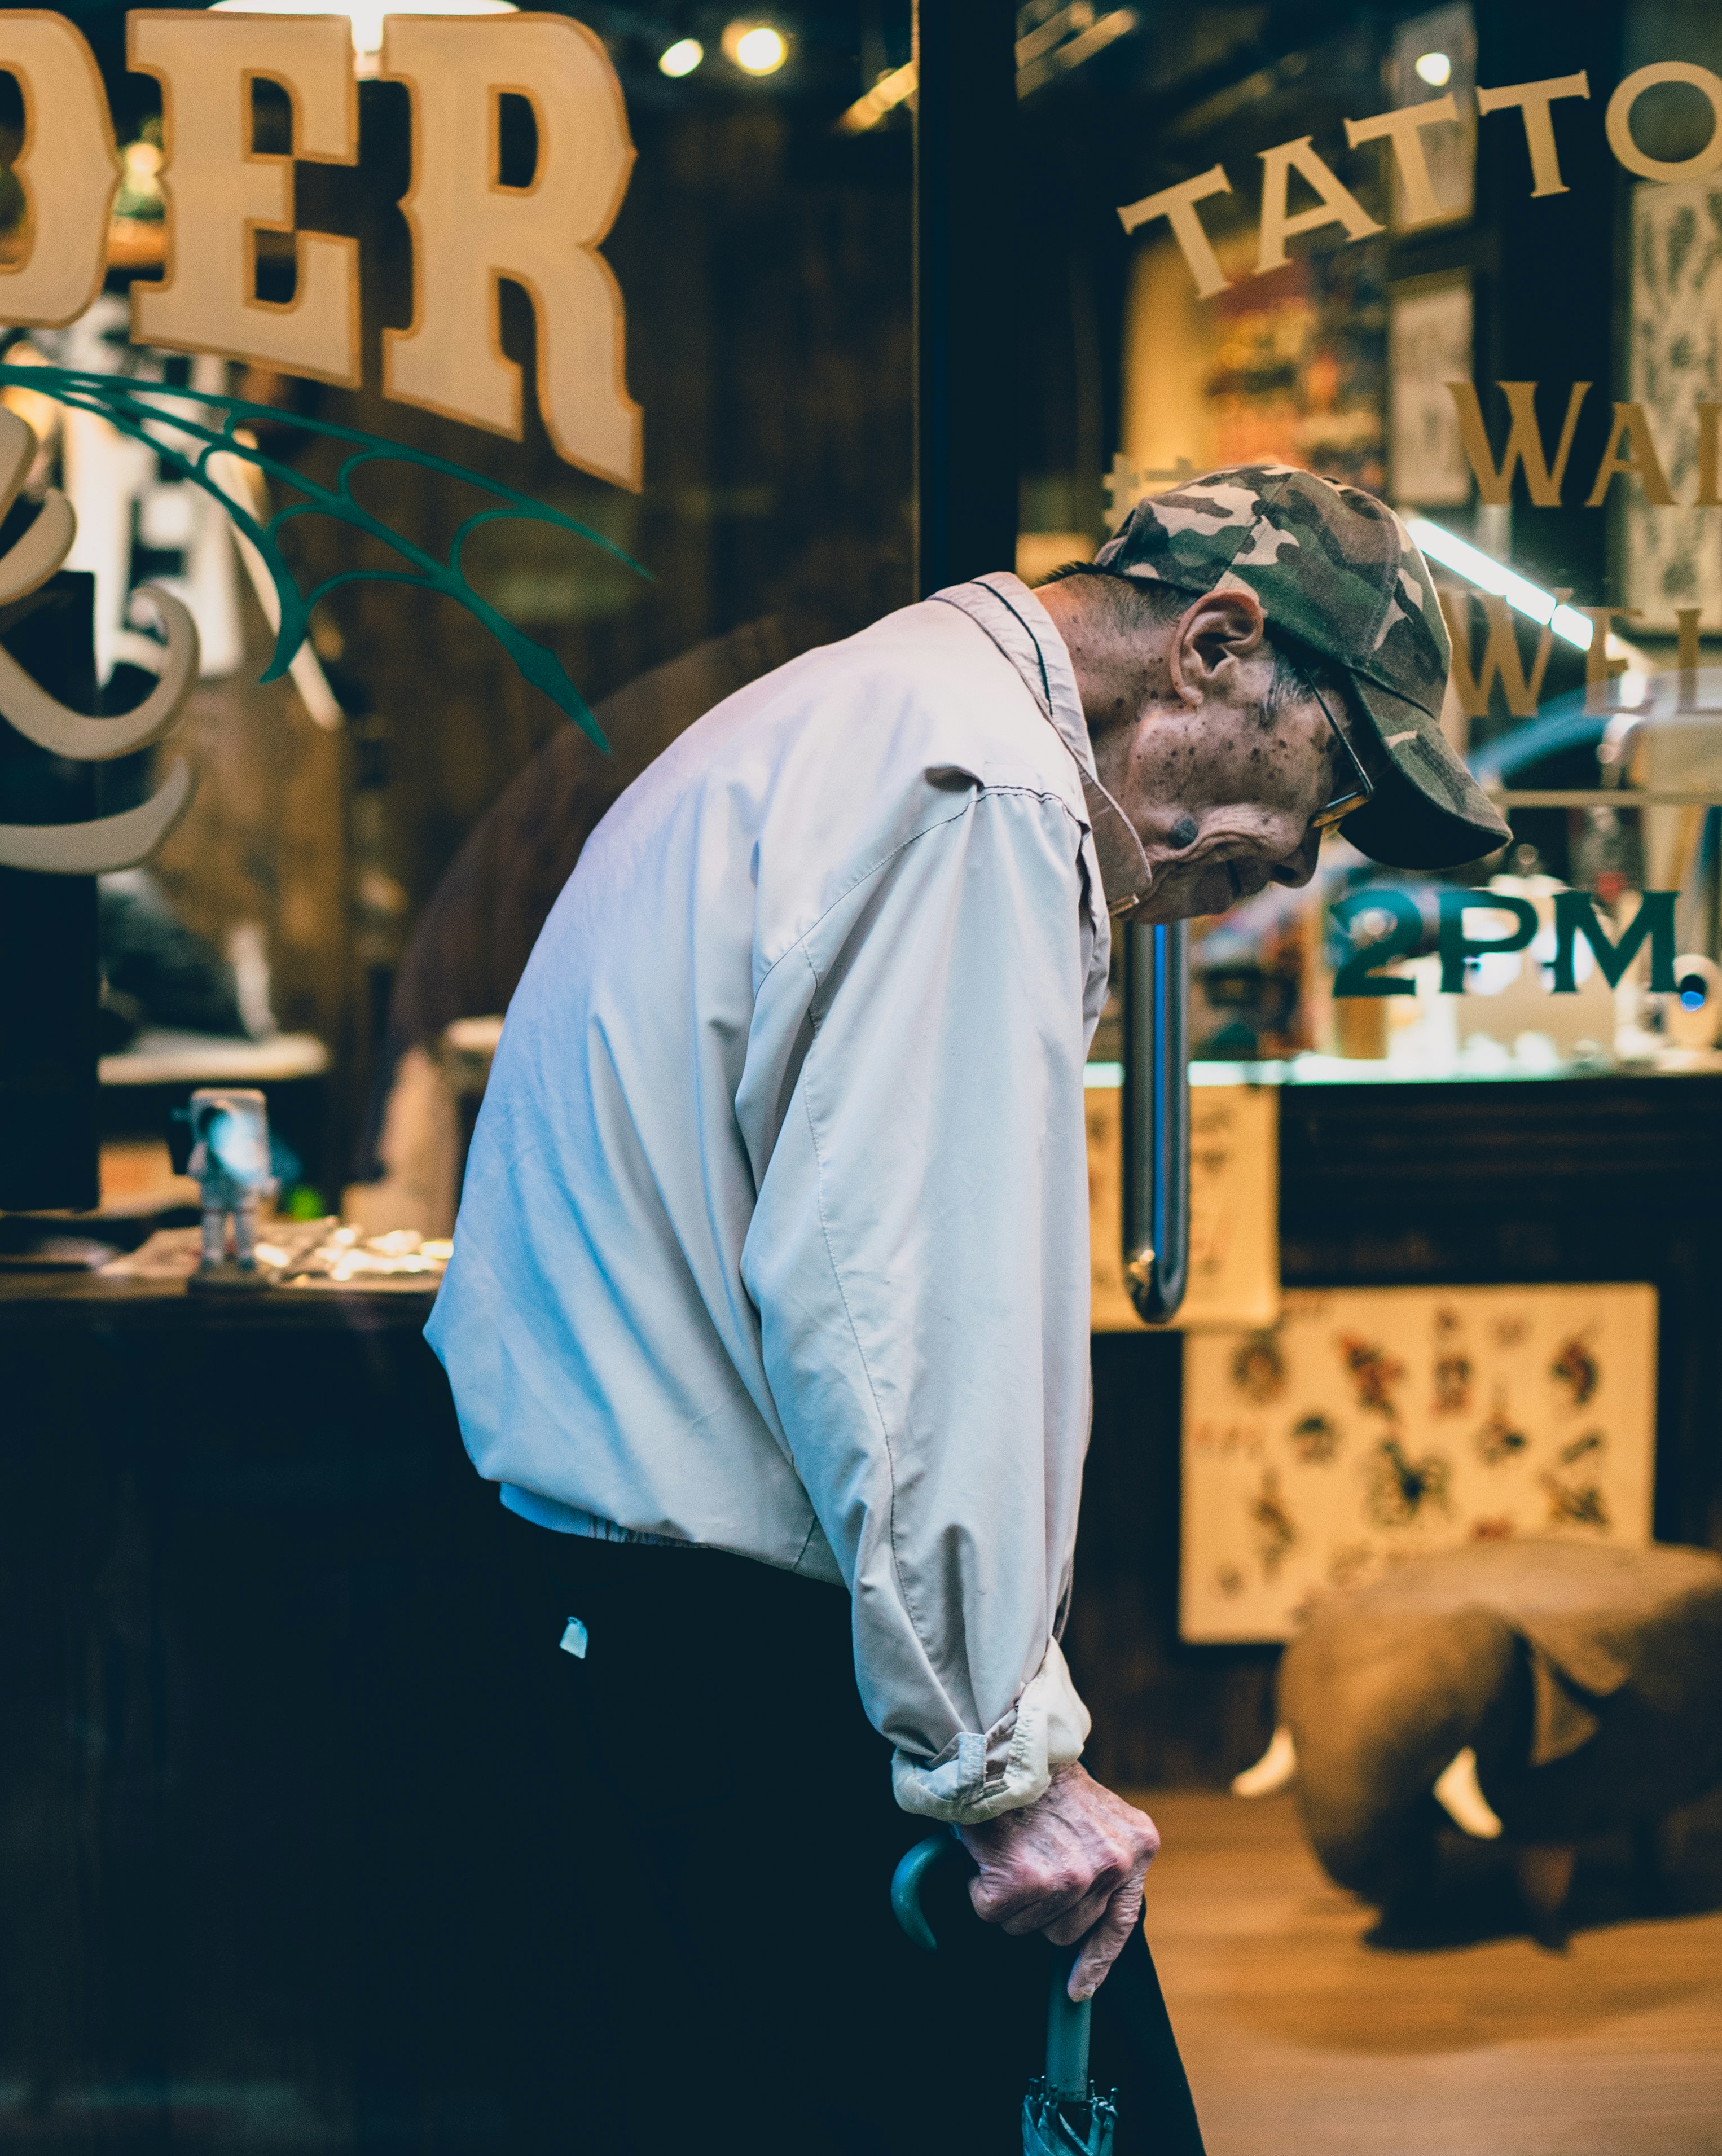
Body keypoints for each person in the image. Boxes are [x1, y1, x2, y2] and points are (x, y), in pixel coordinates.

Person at [428, 467, 1510, 2151]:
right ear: (1216, 647)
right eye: (1330, 783)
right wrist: (998, 1768)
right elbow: (898, 1309)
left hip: (620, 1609)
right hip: (740, 1653)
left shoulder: (868, 708)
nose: (1297, 856)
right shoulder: (979, 787)